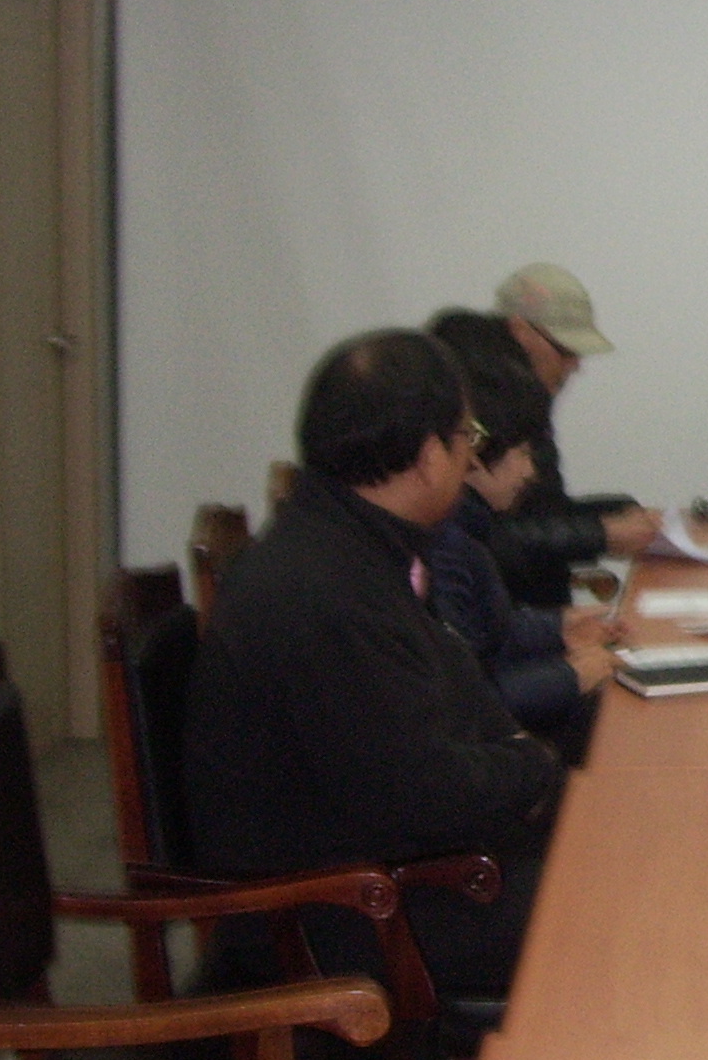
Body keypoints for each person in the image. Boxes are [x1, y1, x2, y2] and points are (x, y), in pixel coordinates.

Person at [186, 328, 562, 995]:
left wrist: (522, 763)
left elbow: (455, 700)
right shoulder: (324, 593)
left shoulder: (347, 545)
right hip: (333, 917)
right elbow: (426, 796)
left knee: (608, 848)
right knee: (611, 901)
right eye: (467, 436)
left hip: (379, 872)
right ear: (429, 457)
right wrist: (534, 767)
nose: (470, 454)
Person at [427, 334, 617, 767]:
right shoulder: (444, 547)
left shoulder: (468, 530)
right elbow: (467, 705)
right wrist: (570, 676)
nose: (531, 472)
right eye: (523, 453)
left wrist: (559, 628)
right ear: (476, 454)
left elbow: (491, 630)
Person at [468, 266, 663, 606]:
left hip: (541, 618)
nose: (575, 365)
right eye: (566, 350)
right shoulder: (474, 409)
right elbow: (484, 540)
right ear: (520, 331)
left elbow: (541, 513)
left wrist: (616, 512)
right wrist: (600, 534)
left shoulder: (526, 402)